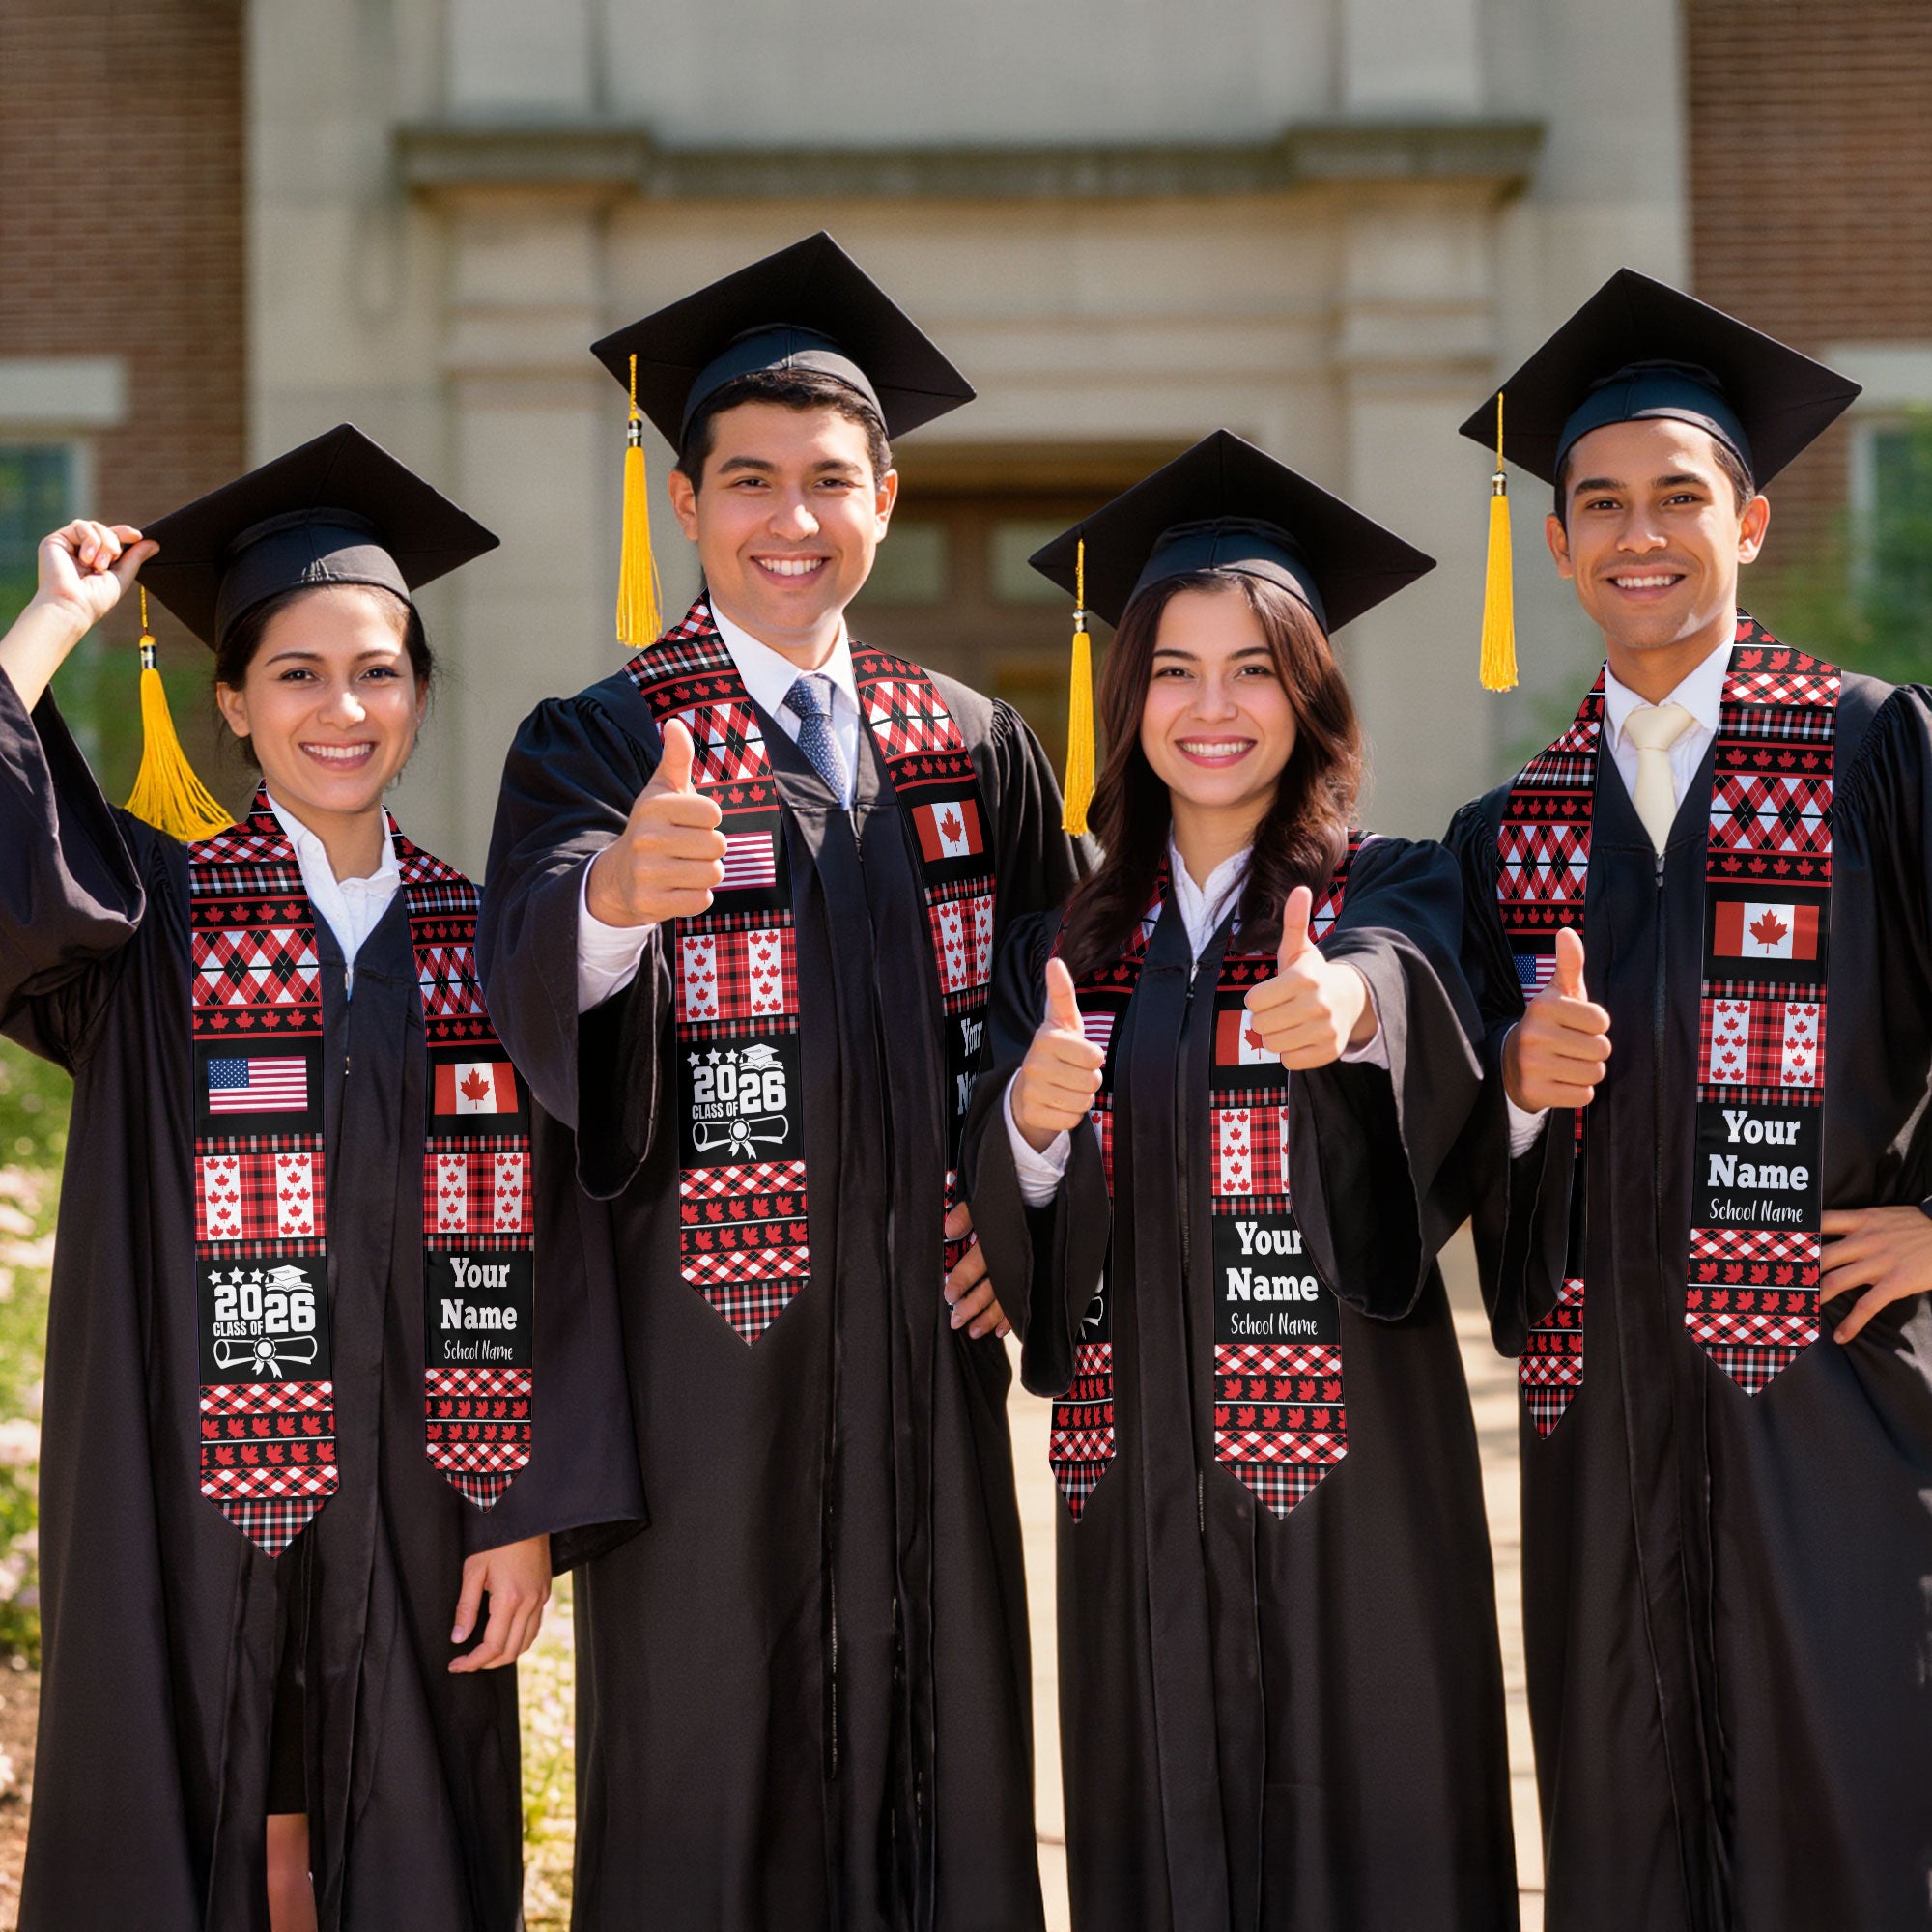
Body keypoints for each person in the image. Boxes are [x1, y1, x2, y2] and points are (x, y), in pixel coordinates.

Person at [478, 233, 1084, 1931]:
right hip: (707, 1363)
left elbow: (1074, 1007)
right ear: (687, 504)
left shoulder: (971, 739)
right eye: (750, 482)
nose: (791, 519)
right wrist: (610, 900)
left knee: (941, 1753)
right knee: (709, 1768)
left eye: (831, 481)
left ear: (886, 497)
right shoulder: (602, 738)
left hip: (922, 1357)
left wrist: (1020, 1202)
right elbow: (524, 964)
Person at [0, 425, 611, 1932]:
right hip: (182, 1491)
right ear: (231, 702)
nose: (344, 708)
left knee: (404, 1845)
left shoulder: (498, 937)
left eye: (381, 671)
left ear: (417, 695)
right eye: (298, 673)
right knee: (203, 1822)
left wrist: (525, 1507)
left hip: (425, 1490)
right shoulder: (150, 922)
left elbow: (574, 1243)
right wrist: (50, 627)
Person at [961, 431, 1519, 1931]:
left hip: (1353, 1473)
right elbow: (1014, 1219)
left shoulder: (1392, 885)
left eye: (1256, 668)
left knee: (1376, 1822)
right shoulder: (1061, 948)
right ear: (1127, 696)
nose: (1215, 709)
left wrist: (1349, 1013)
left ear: (1311, 692)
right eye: (1175, 670)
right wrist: (1028, 1117)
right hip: (1134, 1469)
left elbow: (1418, 993)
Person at [1446, 270, 1932, 1931]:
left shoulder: (1873, 752)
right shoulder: (1510, 833)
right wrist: (1513, 1092)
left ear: (1752, 521)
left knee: (1855, 1802)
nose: (1637, 534)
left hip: (1837, 1401)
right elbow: (1450, 1142)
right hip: (1606, 1424)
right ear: (1561, 543)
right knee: (1625, 1815)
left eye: (1678, 497)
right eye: (1599, 504)